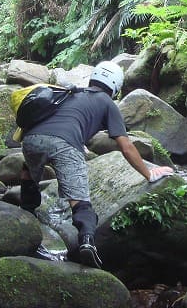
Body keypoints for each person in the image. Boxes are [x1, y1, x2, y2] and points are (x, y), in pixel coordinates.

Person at [19, 60, 174, 269]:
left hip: (31, 139)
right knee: (79, 200)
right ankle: (87, 242)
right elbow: (125, 146)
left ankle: (25, 215)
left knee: (29, 170)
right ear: (115, 86)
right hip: (65, 144)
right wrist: (149, 173)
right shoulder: (106, 102)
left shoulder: (70, 93)